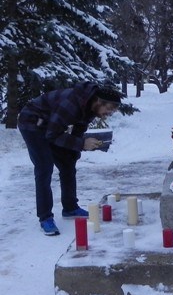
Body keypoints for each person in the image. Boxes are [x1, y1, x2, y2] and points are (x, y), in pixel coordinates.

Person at [18, 83, 124, 236]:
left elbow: (79, 128)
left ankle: (70, 207)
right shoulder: (71, 103)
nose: (108, 114)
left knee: (68, 162)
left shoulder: (91, 106)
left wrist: (75, 150)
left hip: (50, 126)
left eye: (112, 112)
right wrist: (82, 144)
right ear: (99, 102)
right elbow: (52, 135)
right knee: (44, 167)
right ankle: (45, 217)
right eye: (108, 109)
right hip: (32, 123)